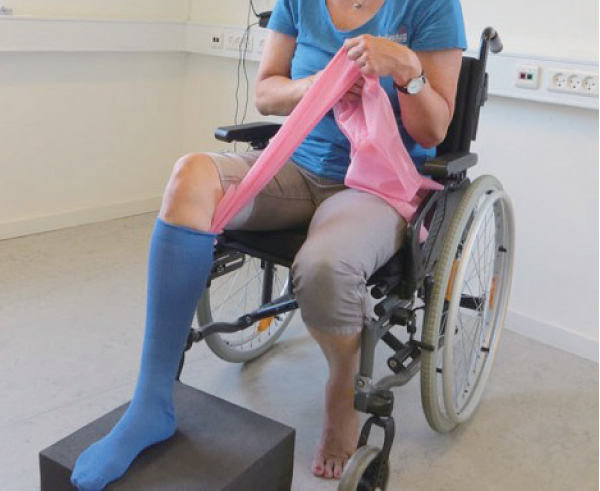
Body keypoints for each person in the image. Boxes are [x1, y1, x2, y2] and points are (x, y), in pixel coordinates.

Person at [70, 0, 466, 488]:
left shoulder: (431, 6)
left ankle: (341, 390)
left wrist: (407, 70)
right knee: (189, 176)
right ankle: (151, 402)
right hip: (296, 165)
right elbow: (266, 93)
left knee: (324, 266)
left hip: (376, 184)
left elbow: (433, 130)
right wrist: (317, 86)